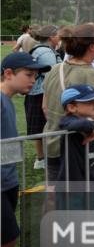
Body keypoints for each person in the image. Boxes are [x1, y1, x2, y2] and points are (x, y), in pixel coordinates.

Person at [1, 52, 50, 247]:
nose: (34, 81)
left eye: (36, 76)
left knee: (7, 237)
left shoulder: (8, 101)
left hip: (8, 180)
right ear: (9, 74)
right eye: (29, 75)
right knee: (8, 236)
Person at [41, 24, 94, 183]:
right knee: (84, 199)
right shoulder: (93, 75)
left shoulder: (55, 69)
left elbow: (45, 108)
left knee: (55, 198)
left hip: (52, 142)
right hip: (80, 148)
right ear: (92, 46)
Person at [56, 85, 94, 198]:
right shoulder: (68, 120)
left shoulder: (90, 122)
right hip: (72, 183)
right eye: (89, 102)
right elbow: (76, 125)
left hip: (88, 178)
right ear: (72, 108)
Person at [25, 25, 60, 170]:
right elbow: (53, 75)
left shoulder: (40, 49)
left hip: (36, 93)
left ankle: (41, 158)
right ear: (51, 37)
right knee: (44, 127)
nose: (60, 38)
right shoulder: (46, 52)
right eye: (58, 35)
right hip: (42, 94)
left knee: (39, 128)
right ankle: (42, 158)